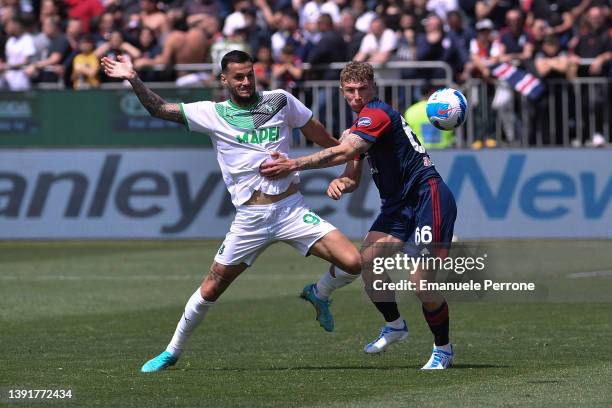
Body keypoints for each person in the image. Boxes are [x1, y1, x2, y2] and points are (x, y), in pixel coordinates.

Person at [101, 50, 362, 373]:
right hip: (251, 219)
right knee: (212, 286)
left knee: (352, 263)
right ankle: (171, 351)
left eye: (250, 74)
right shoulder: (210, 113)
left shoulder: (280, 101)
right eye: (238, 76)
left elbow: (326, 142)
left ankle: (319, 293)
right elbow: (158, 108)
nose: (246, 81)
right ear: (223, 79)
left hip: (291, 210)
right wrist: (133, 78)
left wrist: (348, 154)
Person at [260, 61, 457, 369]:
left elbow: (344, 152)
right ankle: (394, 326)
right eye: (350, 90)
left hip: (427, 196)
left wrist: (293, 164)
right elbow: (351, 175)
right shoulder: (356, 128)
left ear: (373, 88)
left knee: (421, 282)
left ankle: (443, 349)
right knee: (368, 264)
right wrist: (341, 182)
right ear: (342, 91)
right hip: (396, 206)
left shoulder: (377, 114)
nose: (356, 96)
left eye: (362, 89)